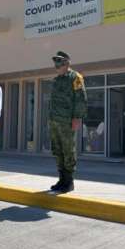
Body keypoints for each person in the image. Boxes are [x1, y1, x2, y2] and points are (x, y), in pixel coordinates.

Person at [48, 51, 87, 193]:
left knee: (68, 149)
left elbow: (80, 98)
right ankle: (61, 179)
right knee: (57, 150)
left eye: (60, 62)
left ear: (67, 63)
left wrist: (77, 117)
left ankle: (69, 181)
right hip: (54, 120)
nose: (57, 65)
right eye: (56, 63)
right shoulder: (56, 80)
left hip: (67, 121)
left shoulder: (75, 77)